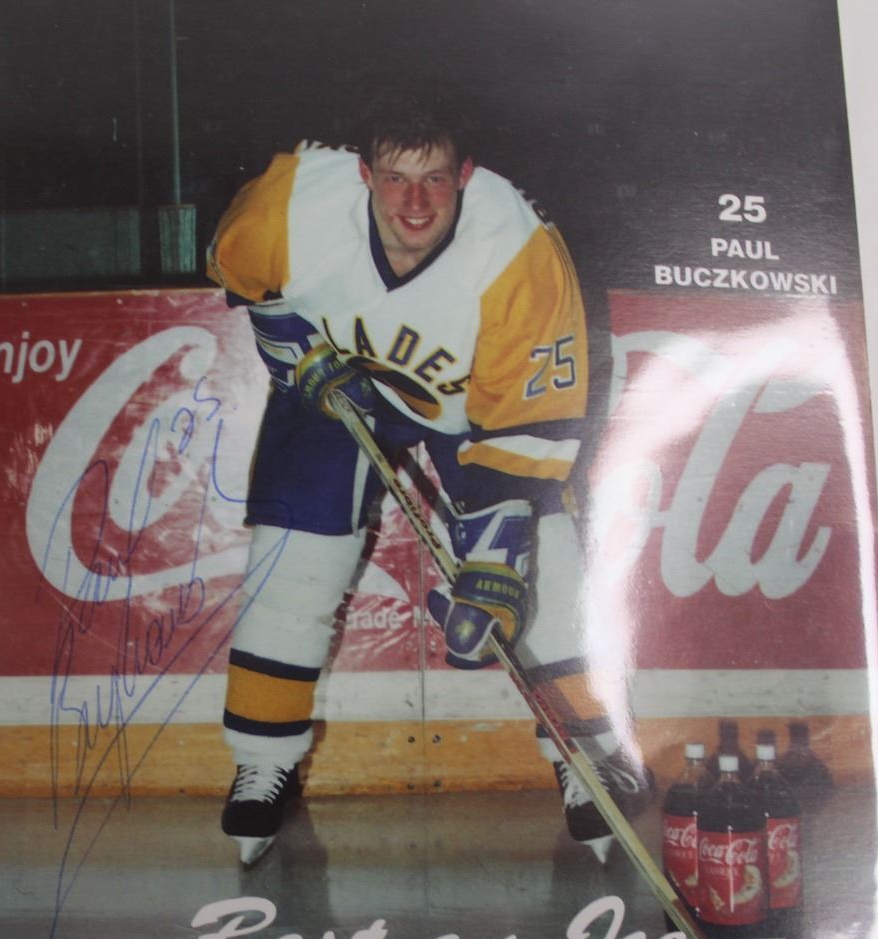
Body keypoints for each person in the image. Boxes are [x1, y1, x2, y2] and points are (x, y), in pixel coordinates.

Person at [204, 93, 648, 866]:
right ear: (363, 174)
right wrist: (291, 347)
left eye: (436, 180)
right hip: (335, 384)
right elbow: (242, 274)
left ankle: (591, 755)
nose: (414, 203)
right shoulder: (292, 205)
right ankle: (262, 761)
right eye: (396, 179)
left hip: (475, 407)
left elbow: (524, 430)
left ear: (465, 175)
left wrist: (496, 561)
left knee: (542, 564)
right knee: (293, 565)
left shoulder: (518, 251)